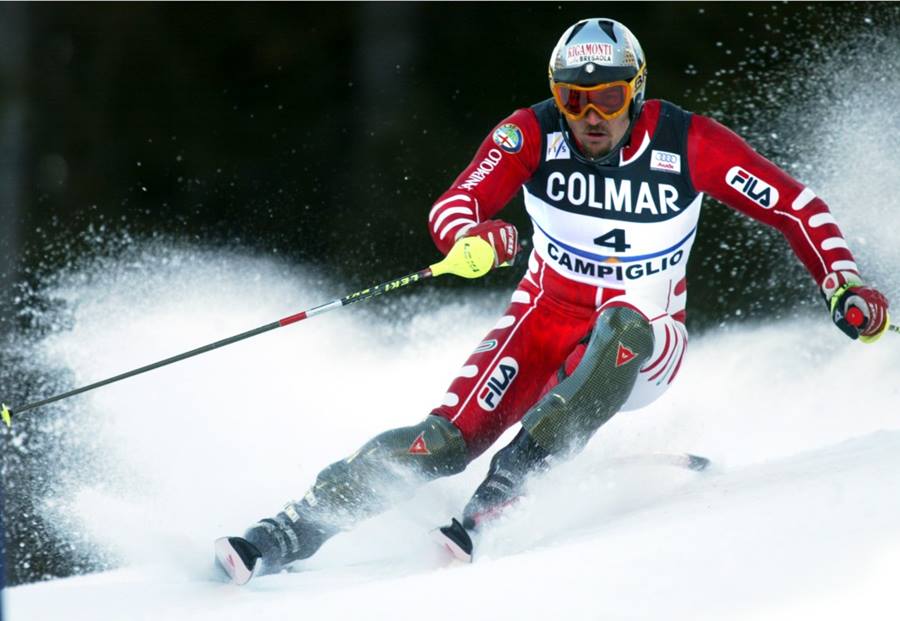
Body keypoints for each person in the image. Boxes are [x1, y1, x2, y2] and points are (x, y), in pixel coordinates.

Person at [215, 17, 891, 584]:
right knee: (442, 441)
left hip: (646, 338)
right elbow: (456, 203)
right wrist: (473, 238)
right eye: (574, 98)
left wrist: (842, 281)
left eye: (609, 97)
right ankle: (290, 528)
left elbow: (795, 206)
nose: (592, 117)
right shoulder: (532, 134)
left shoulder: (689, 143)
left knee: (621, 323)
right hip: (543, 318)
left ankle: (508, 489)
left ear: (636, 91)